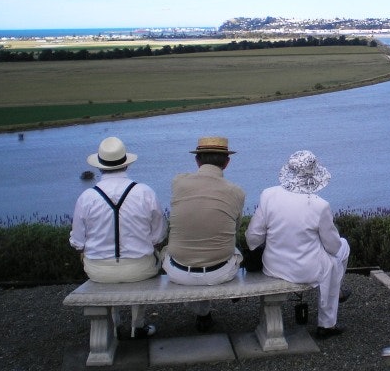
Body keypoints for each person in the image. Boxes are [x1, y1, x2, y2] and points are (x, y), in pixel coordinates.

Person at [246, 150, 351, 339]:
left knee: (331, 262)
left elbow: (253, 237)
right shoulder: (320, 206)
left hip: (273, 266)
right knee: (341, 249)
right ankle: (327, 323)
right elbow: (333, 247)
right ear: (314, 176)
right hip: (306, 271)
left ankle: (336, 296)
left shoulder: (268, 195)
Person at [69, 136, 167, 339]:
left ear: (100, 166)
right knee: (147, 259)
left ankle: (114, 325)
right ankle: (137, 325)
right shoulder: (144, 191)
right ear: (126, 163)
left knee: (105, 266)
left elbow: (77, 242)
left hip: (98, 271)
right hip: (141, 269)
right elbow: (159, 235)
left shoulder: (87, 197)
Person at [162, 136, 245, 332]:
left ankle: (202, 314)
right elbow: (234, 229)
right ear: (227, 163)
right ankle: (210, 308)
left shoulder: (178, 183)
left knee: (176, 250)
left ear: (197, 160)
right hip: (220, 272)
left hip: (178, 271)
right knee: (231, 248)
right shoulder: (236, 192)